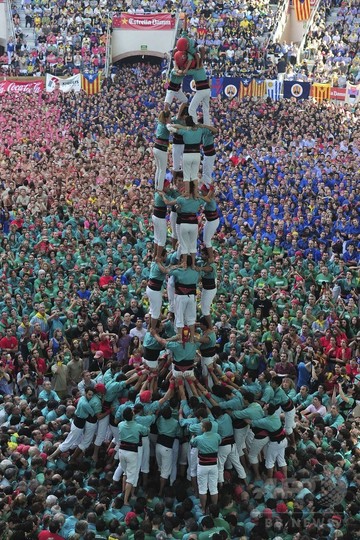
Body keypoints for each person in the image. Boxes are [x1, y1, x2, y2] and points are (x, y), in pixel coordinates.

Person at [191, 419, 221, 512]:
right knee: (213, 488)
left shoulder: (198, 438)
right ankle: (214, 508)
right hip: (213, 465)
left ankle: (203, 509)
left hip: (203, 466)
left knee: (202, 489)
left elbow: (192, 443)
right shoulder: (217, 436)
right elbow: (219, 442)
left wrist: (192, 437)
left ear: (204, 428)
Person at [153, 110, 171, 191]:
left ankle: (156, 186)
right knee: (162, 169)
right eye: (170, 117)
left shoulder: (159, 123)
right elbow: (171, 128)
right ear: (167, 118)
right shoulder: (166, 126)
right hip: (161, 149)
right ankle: (160, 188)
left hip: (155, 147)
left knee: (158, 168)